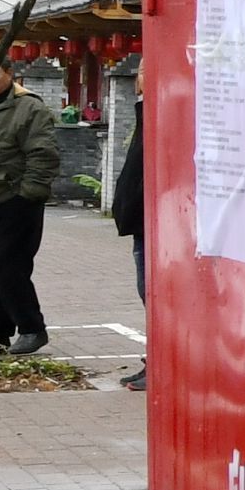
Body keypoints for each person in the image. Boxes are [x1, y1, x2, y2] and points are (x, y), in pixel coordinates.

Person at [0, 77, 68, 352]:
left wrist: (28, 193)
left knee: (6, 265)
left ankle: (32, 328)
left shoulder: (29, 108)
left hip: (14, 200)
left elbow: (43, 153)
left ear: (9, 72)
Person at [102, 107, 146, 389]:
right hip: (140, 221)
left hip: (153, 222)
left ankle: (164, 364)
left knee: (156, 296)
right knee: (148, 294)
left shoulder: (164, 109)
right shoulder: (147, 113)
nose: (140, 76)